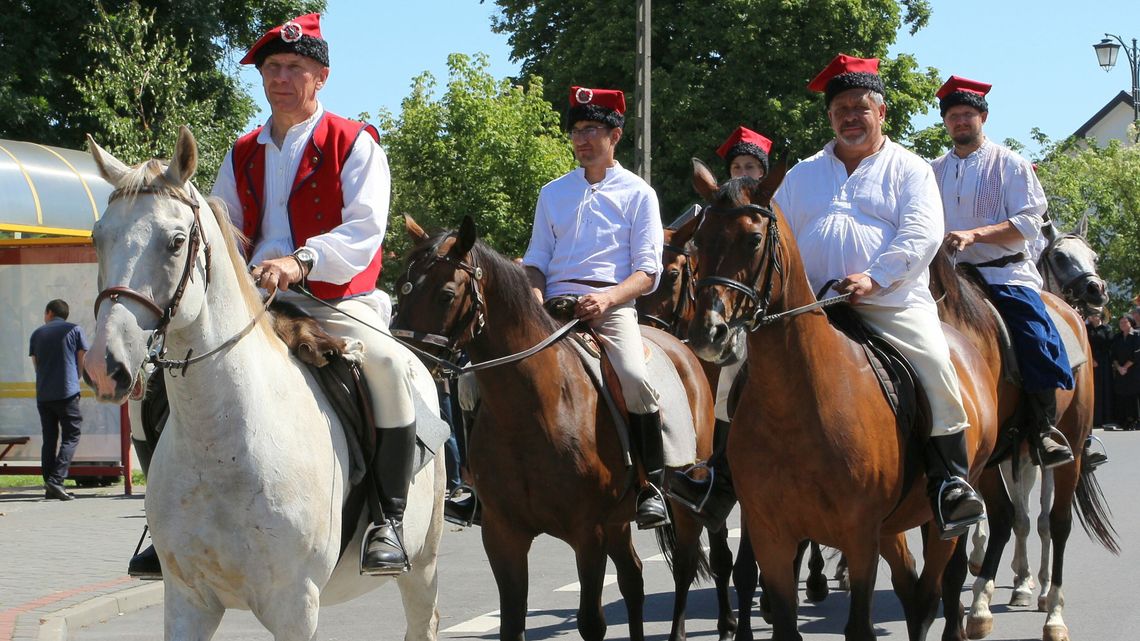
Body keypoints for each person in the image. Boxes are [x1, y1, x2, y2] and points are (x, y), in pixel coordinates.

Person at [208, 12, 416, 576]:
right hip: (255, 300)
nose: (280, 77)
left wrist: (299, 262)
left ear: (320, 77)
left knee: (391, 369)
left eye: (294, 67)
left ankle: (388, 520)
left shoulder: (355, 141)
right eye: (272, 67)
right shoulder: (240, 151)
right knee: (171, 371)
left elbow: (365, 229)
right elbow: (222, 226)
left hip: (335, 300)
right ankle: (168, 520)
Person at [770, 54, 985, 538]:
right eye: (841, 108)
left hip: (890, 304)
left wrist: (873, 278)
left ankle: (951, 483)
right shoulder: (801, 175)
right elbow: (774, 238)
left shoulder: (909, 169)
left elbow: (923, 235)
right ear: (829, 117)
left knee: (936, 365)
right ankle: (718, 474)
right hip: (811, 309)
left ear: (881, 113)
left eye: (860, 107)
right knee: (738, 369)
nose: (850, 116)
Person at [522, 86, 667, 529]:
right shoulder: (553, 193)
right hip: (552, 306)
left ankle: (651, 485)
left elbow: (647, 272)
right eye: (577, 131)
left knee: (635, 376)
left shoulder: (639, 193)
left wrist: (607, 297)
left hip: (610, 304)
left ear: (615, 135)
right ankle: (472, 484)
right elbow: (535, 262)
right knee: (482, 371)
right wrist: (534, 300)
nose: (582, 139)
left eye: (592, 130)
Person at [931, 75, 1075, 469]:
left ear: (983, 117)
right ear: (945, 123)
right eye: (953, 116)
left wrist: (975, 234)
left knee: (1033, 333)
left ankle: (1044, 428)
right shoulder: (932, 170)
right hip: (947, 276)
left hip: (1002, 275)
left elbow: (1031, 221)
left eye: (967, 115)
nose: (961, 121)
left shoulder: (1010, 163)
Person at [670, 125, 774, 518]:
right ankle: (717, 473)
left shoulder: (771, 210)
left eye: (751, 167)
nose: (743, 173)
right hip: (720, 311)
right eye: (736, 166)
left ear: (763, 174)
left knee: (731, 371)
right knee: (720, 379)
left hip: (763, 313)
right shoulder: (712, 213)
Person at [28, 299, 89, 501]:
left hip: (44, 395)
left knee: (50, 439)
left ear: (49, 312)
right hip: (67, 393)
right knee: (72, 434)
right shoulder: (75, 330)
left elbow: (36, 364)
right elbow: (82, 359)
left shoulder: (37, 333)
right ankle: (56, 480)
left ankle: (50, 485)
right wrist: (75, 377)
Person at [1111, 315, 1140, 430]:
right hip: (1120, 371)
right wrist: (1119, 367)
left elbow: (1137, 353)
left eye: (1125, 322)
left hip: (1134, 370)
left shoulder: (1137, 335)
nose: (1122, 324)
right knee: (1122, 394)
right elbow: (1113, 354)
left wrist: (1126, 367)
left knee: (1134, 395)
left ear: (1131, 323)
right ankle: (1123, 421)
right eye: (1120, 323)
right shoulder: (1117, 337)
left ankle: (1135, 420)